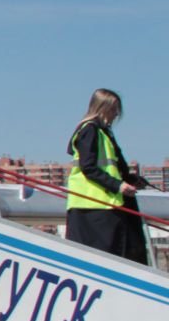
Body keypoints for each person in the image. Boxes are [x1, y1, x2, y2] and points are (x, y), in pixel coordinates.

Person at [63, 89, 149, 263]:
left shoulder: (104, 133)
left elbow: (114, 166)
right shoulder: (90, 130)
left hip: (108, 203)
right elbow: (89, 168)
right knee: (107, 257)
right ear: (103, 108)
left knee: (130, 251)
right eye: (113, 109)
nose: (116, 114)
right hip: (92, 205)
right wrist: (118, 185)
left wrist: (132, 180)